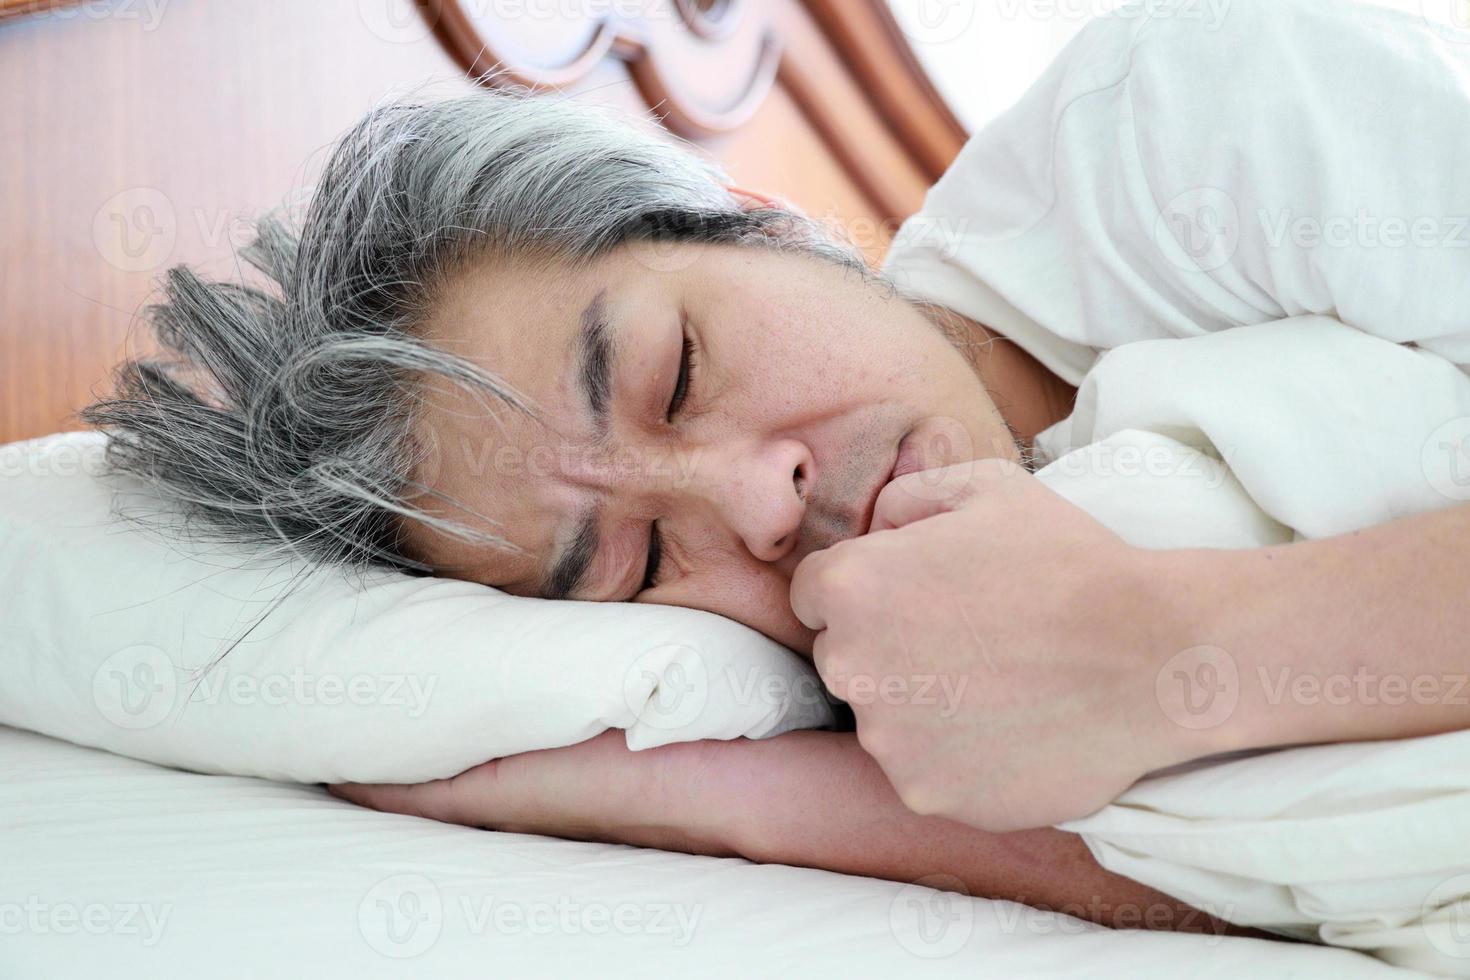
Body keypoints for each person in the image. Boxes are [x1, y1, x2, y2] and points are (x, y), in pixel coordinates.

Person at [85, 0, 1470, 934]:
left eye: (677, 374)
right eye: (631, 562)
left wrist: (1157, 650)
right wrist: (705, 796)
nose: (757, 508)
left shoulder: (1193, 112)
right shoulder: (856, 673)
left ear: (763, 223)